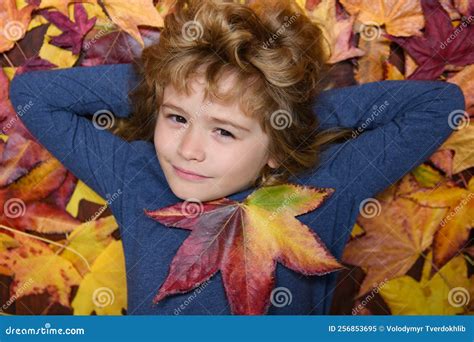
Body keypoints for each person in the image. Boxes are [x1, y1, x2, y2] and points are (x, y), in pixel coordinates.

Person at [9, 0, 465, 315]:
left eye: (224, 131)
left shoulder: (322, 190)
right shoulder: (136, 174)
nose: (188, 150)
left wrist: (287, 114)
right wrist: (165, 83)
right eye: (177, 119)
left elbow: (439, 106)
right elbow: (32, 94)